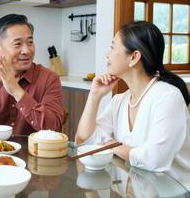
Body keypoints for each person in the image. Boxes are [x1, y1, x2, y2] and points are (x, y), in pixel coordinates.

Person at [76, 21, 190, 190]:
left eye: (113, 47)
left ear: (134, 57)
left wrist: (111, 145)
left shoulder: (168, 97)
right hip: (138, 190)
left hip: (173, 192)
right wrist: (94, 96)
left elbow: (152, 160)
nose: (107, 54)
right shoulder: (119, 100)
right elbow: (85, 143)